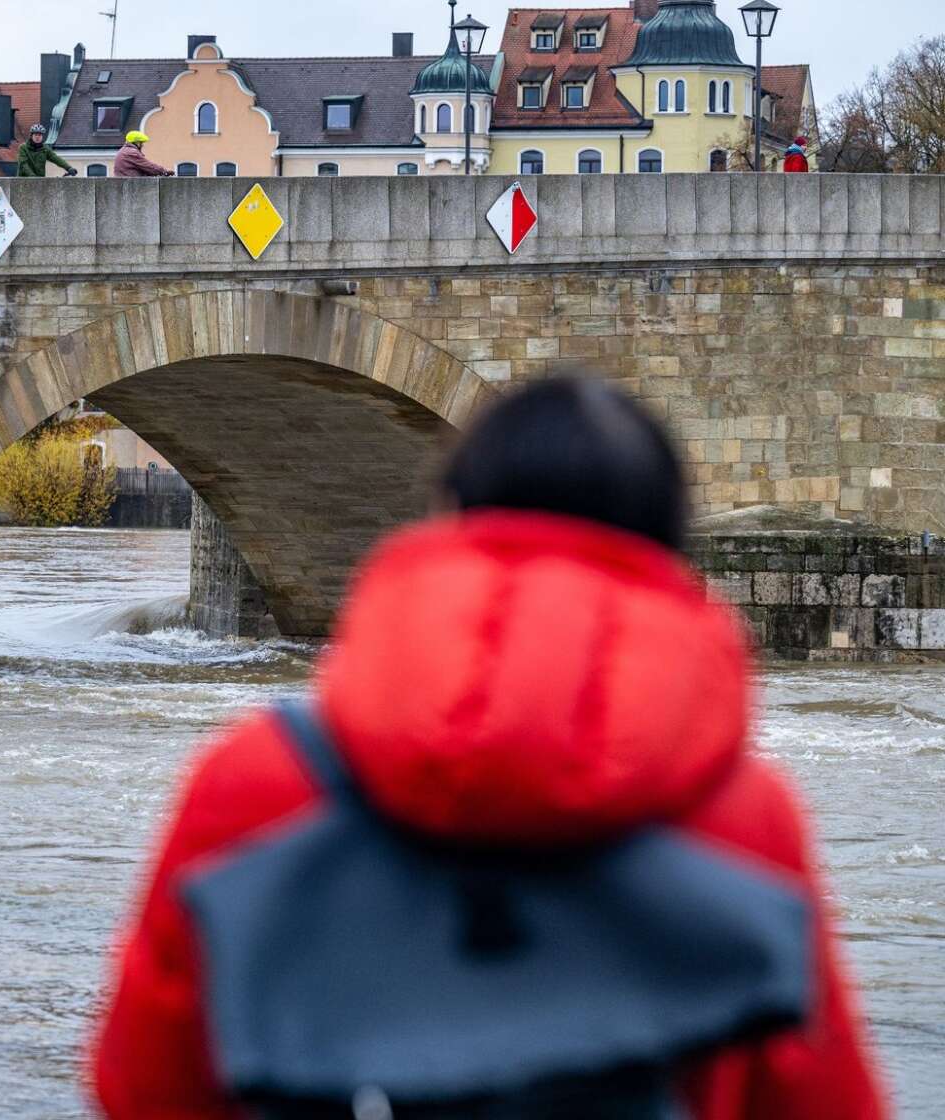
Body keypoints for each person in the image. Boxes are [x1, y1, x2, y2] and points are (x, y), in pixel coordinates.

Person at [88, 377, 885, 1119]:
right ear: (668, 544)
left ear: (451, 513)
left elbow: (140, 1084)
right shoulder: (744, 818)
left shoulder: (258, 782)